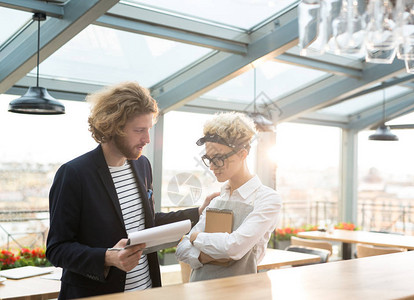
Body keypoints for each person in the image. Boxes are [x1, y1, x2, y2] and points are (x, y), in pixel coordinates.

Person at [46, 81, 213, 299]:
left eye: (149, 129)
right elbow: (57, 249)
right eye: (139, 130)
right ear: (114, 126)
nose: (147, 139)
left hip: (144, 291)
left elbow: (147, 223)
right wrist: (108, 257)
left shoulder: (142, 165)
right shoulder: (74, 174)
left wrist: (198, 213)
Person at [176, 112, 282, 282]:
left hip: (240, 291)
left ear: (242, 154)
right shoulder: (217, 198)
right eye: (208, 159)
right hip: (199, 291)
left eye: (218, 159)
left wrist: (197, 238)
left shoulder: (268, 199)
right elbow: (181, 248)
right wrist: (207, 257)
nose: (211, 167)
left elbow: (233, 247)